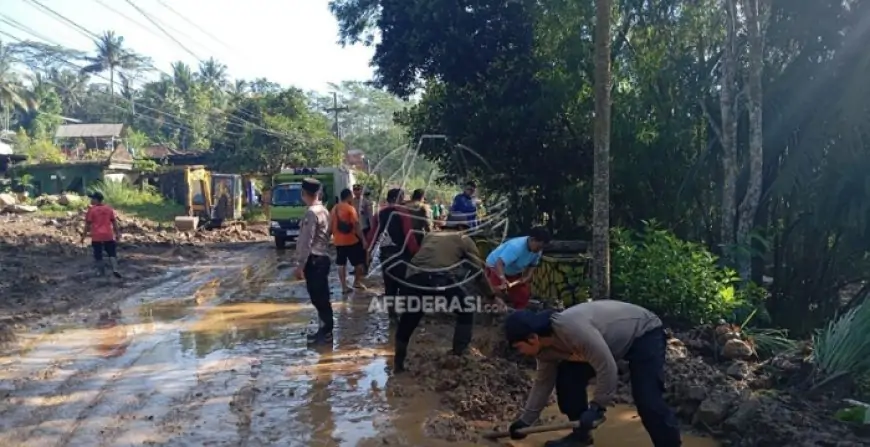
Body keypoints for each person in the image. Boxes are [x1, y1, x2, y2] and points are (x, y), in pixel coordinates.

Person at [504, 302, 681, 447]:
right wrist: (525, 422)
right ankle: (580, 436)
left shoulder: (572, 330)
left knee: (647, 398)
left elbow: (606, 366)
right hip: (607, 344)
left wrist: (597, 407)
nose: (521, 353)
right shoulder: (544, 351)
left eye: (519, 348)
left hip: (643, 331)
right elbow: (543, 383)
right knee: (567, 378)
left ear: (533, 338)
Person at [393, 213, 505, 372]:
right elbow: (478, 272)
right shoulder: (463, 239)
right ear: (461, 228)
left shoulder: (431, 235)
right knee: (466, 309)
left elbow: (429, 257)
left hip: (412, 279)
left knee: (408, 320)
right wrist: (491, 296)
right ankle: (459, 354)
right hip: (439, 278)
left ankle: (398, 364)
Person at [368, 188, 423, 323]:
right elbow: (409, 235)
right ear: (398, 198)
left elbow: (372, 235)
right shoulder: (403, 213)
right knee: (404, 284)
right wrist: (416, 253)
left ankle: (392, 315)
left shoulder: (379, 214)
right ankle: (405, 315)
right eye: (402, 197)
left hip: (385, 255)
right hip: (401, 254)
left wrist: (368, 252)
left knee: (389, 284)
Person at [293, 178, 333, 344]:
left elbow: (306, 241)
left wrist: (300, 265)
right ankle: (324, 331)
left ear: (303, 193)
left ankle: (326, 332)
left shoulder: (311, 213)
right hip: (323, 257)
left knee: (319, 299)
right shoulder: (324, 210)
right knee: (322, 297)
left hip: (314, 260)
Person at [485, 227, 551, 309]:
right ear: (532, 239)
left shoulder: (537, 251)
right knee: (496, 294)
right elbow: (499, 264)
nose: (540, 250)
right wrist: (503, 279)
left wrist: (525, 278)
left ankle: (518, 317)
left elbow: (532, 266)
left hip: (513, 272)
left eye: (542, 248)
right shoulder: (516, 247)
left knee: (523, 294)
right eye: (539, 247)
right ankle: (493, 317)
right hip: (494, 268)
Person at [331, 188, 368, 293]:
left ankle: (344, 287)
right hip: (351, 241)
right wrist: (363, 240)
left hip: (338, 241)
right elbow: (356, 225)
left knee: (341, 264)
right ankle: (356, 282)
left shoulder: (334, 209)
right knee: (359, 262)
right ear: (348, 197)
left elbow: (330, 225)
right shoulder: (350, 208)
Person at [81, 191, 122, 278]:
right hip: (108, 235)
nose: (91, 200)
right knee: (112, 253)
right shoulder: (109, 209)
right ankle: (115, 269)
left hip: (97, 237)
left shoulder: (91, 210)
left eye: (92, 198)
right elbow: (114, 222)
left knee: (98, 254)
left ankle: (101, 272)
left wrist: (83, 237)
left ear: (96, 200)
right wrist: (118, 233)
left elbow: (87, 225)